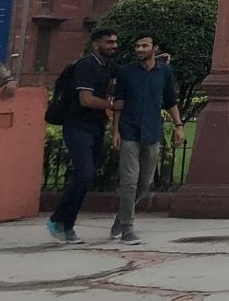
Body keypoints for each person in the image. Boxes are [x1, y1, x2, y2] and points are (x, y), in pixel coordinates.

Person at [47, 27, 117, 245]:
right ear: (96, 44)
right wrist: (113, 105)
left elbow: (127, 73)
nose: (113, 46)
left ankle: (67, 224)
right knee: (84, 173)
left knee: (86, 175)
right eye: (109, 42)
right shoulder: (87, 66)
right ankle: (58, 220)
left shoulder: (107, 67)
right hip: (77, 126)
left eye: (115, 42)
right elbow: (85, 100)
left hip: (95, 126)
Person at [110, 33, 182, 244]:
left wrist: (179, 126)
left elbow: (170, 101)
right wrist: (115, 132)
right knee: (130, 181)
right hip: (129, 130)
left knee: (145, 182)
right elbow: (118, 104)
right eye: (137, 46)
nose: (139, 49)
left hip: (152, 131)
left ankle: (122, 215)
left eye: (144, 46)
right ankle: (127, 228)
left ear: (155, 48)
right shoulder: (126, 73)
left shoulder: (164, 73)